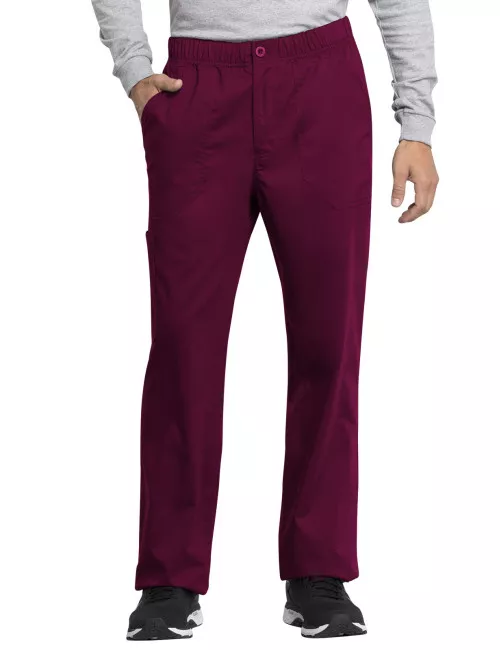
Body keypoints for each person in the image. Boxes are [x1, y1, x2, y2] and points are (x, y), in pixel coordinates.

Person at [92, 0, 438, 640]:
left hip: (322, 83)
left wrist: (416, 122)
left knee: (329, 342)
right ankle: (169, 575)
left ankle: (318, 572)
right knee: (183, 346)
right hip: (197, 87)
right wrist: (134, 68)